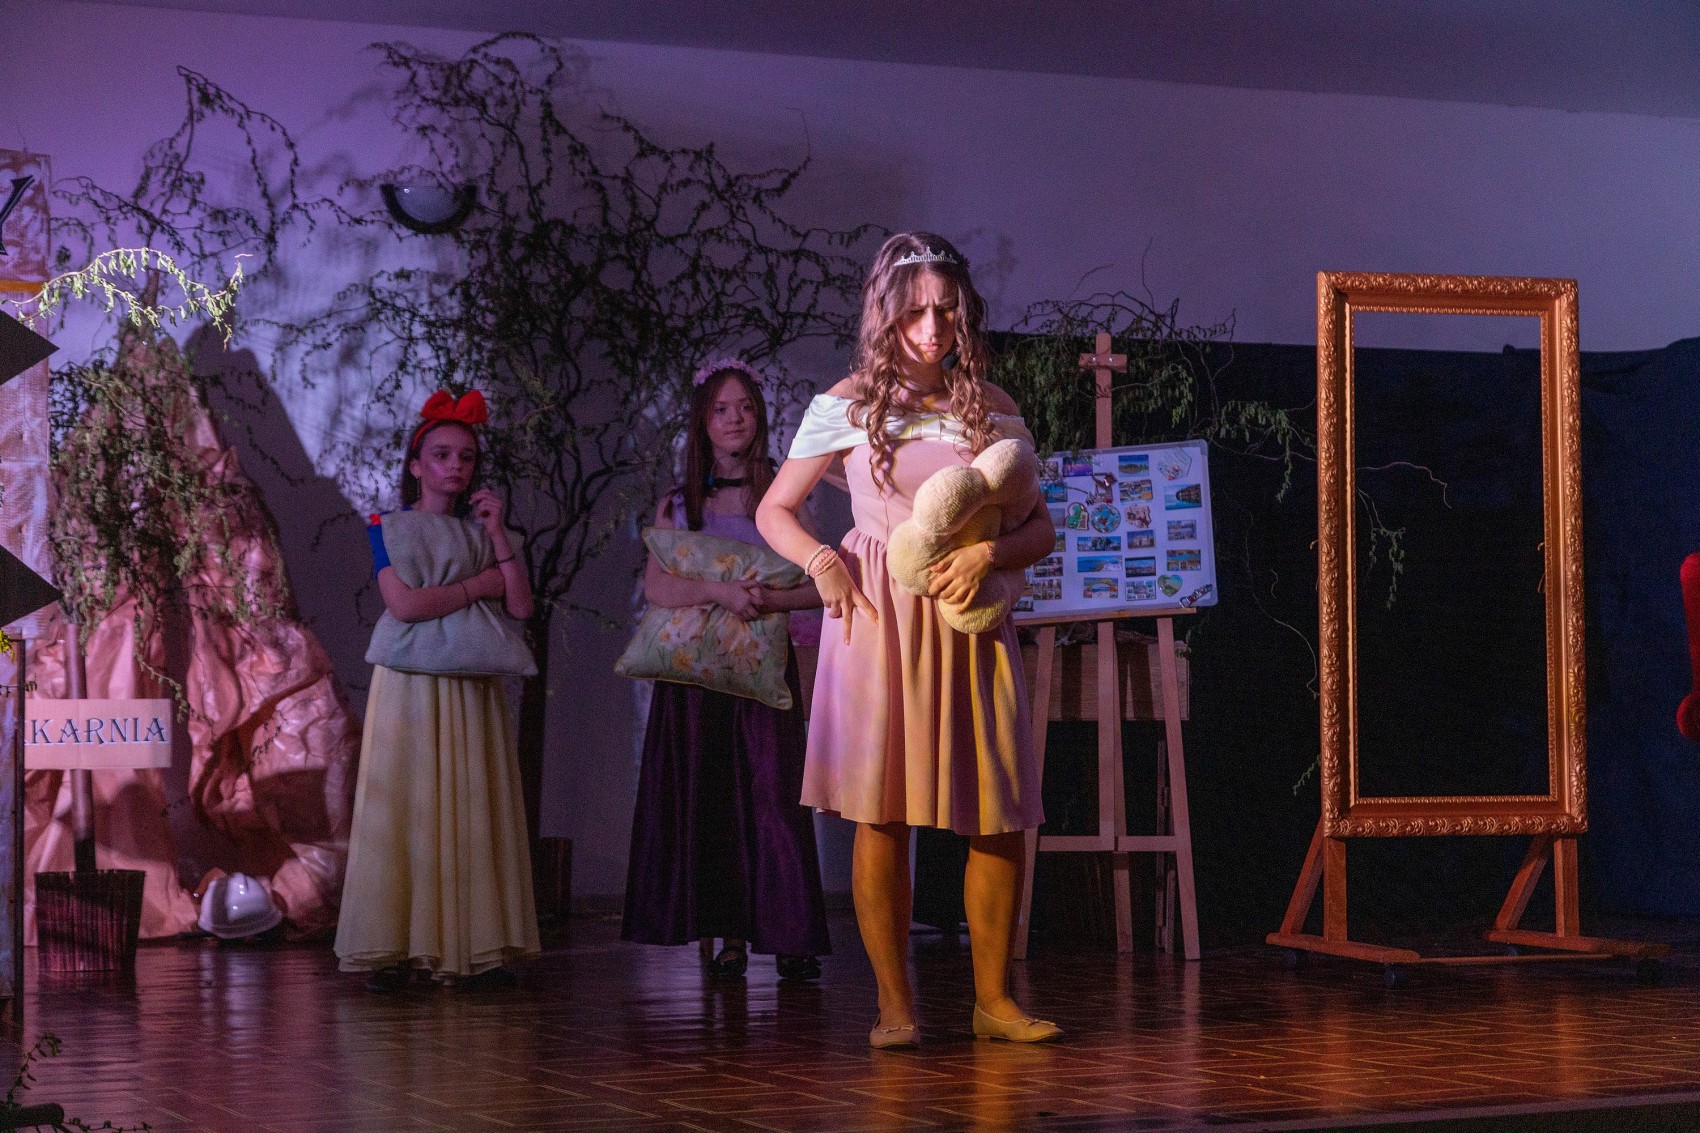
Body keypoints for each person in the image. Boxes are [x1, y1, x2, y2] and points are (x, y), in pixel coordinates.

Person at [756, 232, 1062, 1047]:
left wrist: (990, 553)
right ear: (885, 315)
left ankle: (994, 1000)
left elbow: (1040, 528)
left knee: (996, 811)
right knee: (881, 811)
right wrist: (822, 561)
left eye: (948, 311)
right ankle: (894, 1004)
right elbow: (772, 509)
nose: (933, 329)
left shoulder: (991, 404)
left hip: (971, 615)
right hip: (879, 617)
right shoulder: (845, 405)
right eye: (917, 312)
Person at [622, 360, 831, 981]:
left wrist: (764, 600)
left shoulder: (783, 497)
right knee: (711, 804)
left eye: (745, 407)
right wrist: (720, 593)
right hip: (695, 680)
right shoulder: (679, 503)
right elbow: (658, 586)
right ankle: (729, 939)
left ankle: (791, 937)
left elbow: (822, 583)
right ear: (703, 423)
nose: (735, 419)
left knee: (774, 800)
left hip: (763, 676)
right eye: (721, 409)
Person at [335, 390, 541, 991]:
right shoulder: (389, 528)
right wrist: (478, 587)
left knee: (471, 806)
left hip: (471, 684)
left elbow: (521, 606)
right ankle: (397, 947)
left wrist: (497, 535)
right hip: (410, 687)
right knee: (408, 805)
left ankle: (474, 946)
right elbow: (404, 604)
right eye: (442, 455)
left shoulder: (487, 535)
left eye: (466, 457)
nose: (456, 466)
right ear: (416, 465)